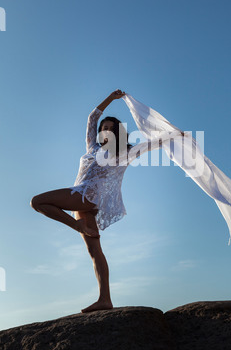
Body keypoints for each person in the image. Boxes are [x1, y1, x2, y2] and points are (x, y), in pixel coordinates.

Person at [30, 89, 162, 313]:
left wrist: (177, 136)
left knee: (37, 201)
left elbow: (152, 144)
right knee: (95, 251)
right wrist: (111, 98)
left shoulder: (124, 153)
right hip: (81, 199)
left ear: (118, 133)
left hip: (86, 196)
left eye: (111, 128)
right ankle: (105, 299)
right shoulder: (92, 147)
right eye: (104, 128)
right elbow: (92, 117)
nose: (106, 130)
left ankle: (76, 226)